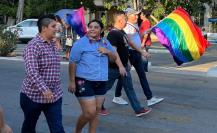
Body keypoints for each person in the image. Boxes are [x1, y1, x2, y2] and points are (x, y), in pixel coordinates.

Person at [99, 11, 152, 117]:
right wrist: (120, 66)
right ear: (119, 20)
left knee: (129, 88)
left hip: (123, 67)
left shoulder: (122, 32)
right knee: (105, 88)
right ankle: (98, 106)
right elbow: (113, 52)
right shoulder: (113, 34)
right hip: (114, 69)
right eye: (124, 18)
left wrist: (141, 53)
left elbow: (127, 47)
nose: (126, 21)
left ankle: (138, 109)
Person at [68, 19, 116, 133]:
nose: (93, 29)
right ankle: (77, 131)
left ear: (101, 30)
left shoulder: (105, 42)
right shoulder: (80, 44)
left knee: (96, 112)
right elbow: (72, 62)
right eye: (91, 27)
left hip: (101, 81)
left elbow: (114, 59)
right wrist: (71, 81)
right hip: (84, 81)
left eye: (96, 27)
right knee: (89, 112)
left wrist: (108, 52)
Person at [20, 14, 65, 133]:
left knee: (58, 129)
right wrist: (44, 89)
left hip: (54, 96)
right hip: (33, 96)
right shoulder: (33, 46)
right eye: (53, 26)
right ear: (44, 28)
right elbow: (32, 71)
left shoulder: (53, 44)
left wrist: (52, 90)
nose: (57, 28)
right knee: (29, 127)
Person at [113, 8, 164, 107]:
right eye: (134, 15)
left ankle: (149, 98)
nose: (137, 16)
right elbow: (129, 42)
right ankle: (117, 96)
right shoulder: (126, 27)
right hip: (130, 54)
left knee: (141, 75)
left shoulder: (134, 25)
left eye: (137, 15)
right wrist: (142, 51)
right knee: (124, 76)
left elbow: (137, 35)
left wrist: (149, 29)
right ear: (128, 16)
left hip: (135, 53)